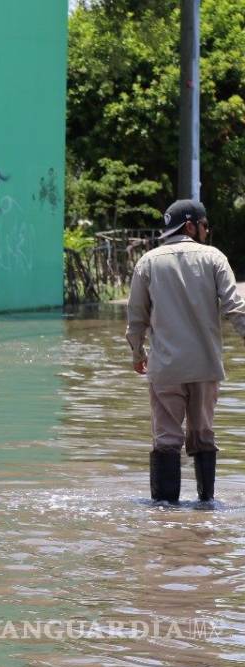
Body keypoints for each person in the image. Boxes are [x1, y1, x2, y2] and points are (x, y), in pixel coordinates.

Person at [126, 198, 245, 504]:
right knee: (203, 435)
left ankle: (165, 517)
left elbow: (136, 319)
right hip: (205, 368)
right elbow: (235, 308)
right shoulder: (215, 258)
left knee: (166, 440)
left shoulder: (148, 262)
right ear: (192, 226)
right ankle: (206, 509)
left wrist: (138, 354)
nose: (207, 232)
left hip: (165, 369)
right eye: (205, 226)